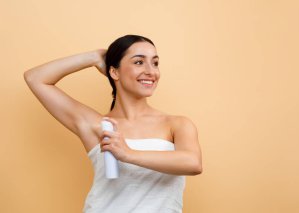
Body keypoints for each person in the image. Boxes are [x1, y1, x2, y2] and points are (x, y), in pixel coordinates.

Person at [24, 34, 203, 212]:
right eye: (139, 62)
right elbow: (35, 78)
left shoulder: (176, 124)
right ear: (114, 71)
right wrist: (94, 57)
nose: (151, 71)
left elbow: (193, 163)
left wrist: (127, 154)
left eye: (155, 63)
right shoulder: (99, 126)